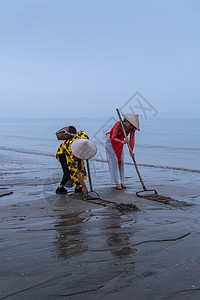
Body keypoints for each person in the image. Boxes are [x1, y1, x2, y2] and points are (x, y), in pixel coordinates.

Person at [105, 114, 140, 190]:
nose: (131, 127)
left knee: (121, 160)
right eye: (131, 125)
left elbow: (132, 140)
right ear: (126, 121)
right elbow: (113, 137)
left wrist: (131, 151)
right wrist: (122, 141)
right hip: (110, 141)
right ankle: (117, 182)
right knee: (114, 161)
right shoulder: (118, 124)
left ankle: (122, 182)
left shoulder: (132, 129)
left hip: (120, 142)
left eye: (133, 126)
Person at [56, 126, 90, 198]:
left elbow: (82, 133)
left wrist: (79, 132)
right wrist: (84, 186)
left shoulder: (83, 139)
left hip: (74, 151)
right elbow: (77, 171)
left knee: (81, 168)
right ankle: (60, 187)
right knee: (68, 172)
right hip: (62, 153)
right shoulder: (72, 149)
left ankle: (78, 187)